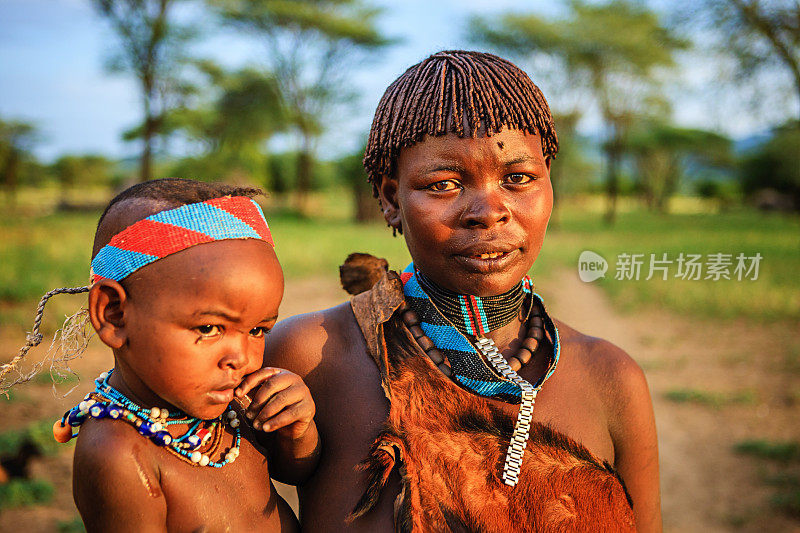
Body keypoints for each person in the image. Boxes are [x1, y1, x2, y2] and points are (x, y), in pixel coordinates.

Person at [259, 51, 661, 532]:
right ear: (391, 200)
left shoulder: (611, 379)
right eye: (445, 184)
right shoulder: (309, 355)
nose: (489, 211)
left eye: (518, 179)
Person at [3, 178, 319, 532]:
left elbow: (294, 472)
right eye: (209, 329)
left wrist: (296, 431)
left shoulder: (232, 406)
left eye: (258, 330)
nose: (241, 358)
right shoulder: (117, 452)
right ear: (114, 315)